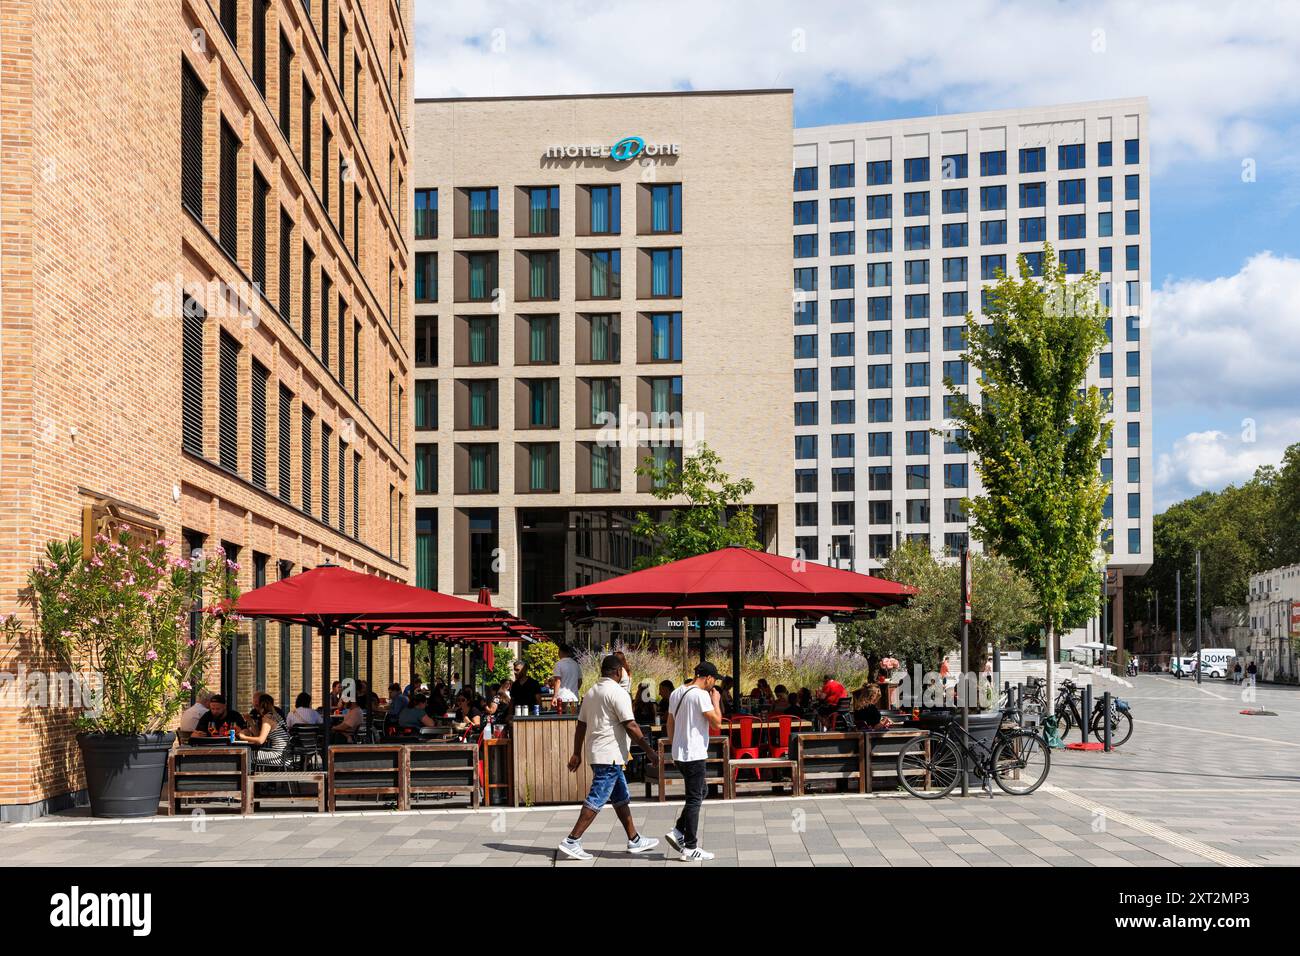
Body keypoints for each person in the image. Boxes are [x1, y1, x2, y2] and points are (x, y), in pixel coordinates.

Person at [557, 655, 659, 861]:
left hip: (597, 754)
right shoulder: (618, 693)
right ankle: (572, 840)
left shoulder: (591, 692)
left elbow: (581, 726)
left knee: (620, 798)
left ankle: (634, 838)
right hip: (610, 756)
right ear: (618, 671)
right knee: (597, 797)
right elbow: (630, 725)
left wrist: (576, 753)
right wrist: (649, 750)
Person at [664, 661, 724, 862]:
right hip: (694, 754)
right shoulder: (700, 695)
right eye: (714, 681)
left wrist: (674, 747)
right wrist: (715, 700)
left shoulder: (676, 692)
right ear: (707, 678)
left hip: (680, 753)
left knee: (701, 791)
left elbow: (670, 722)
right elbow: (717, 723)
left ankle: (679, 831)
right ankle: (690, 846)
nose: (714, 686)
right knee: (694, 799)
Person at [239, 693, 291, 767]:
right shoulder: (276, 715)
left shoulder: (267, 718)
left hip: (279, 756)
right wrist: (250, 721)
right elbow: (258, 735)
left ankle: (243, 777)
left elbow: (260, 740)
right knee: (248, 753)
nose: (255, 708)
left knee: (243, 755)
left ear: (261, 706)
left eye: (256, 706)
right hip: (286, 755)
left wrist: (243, 737)